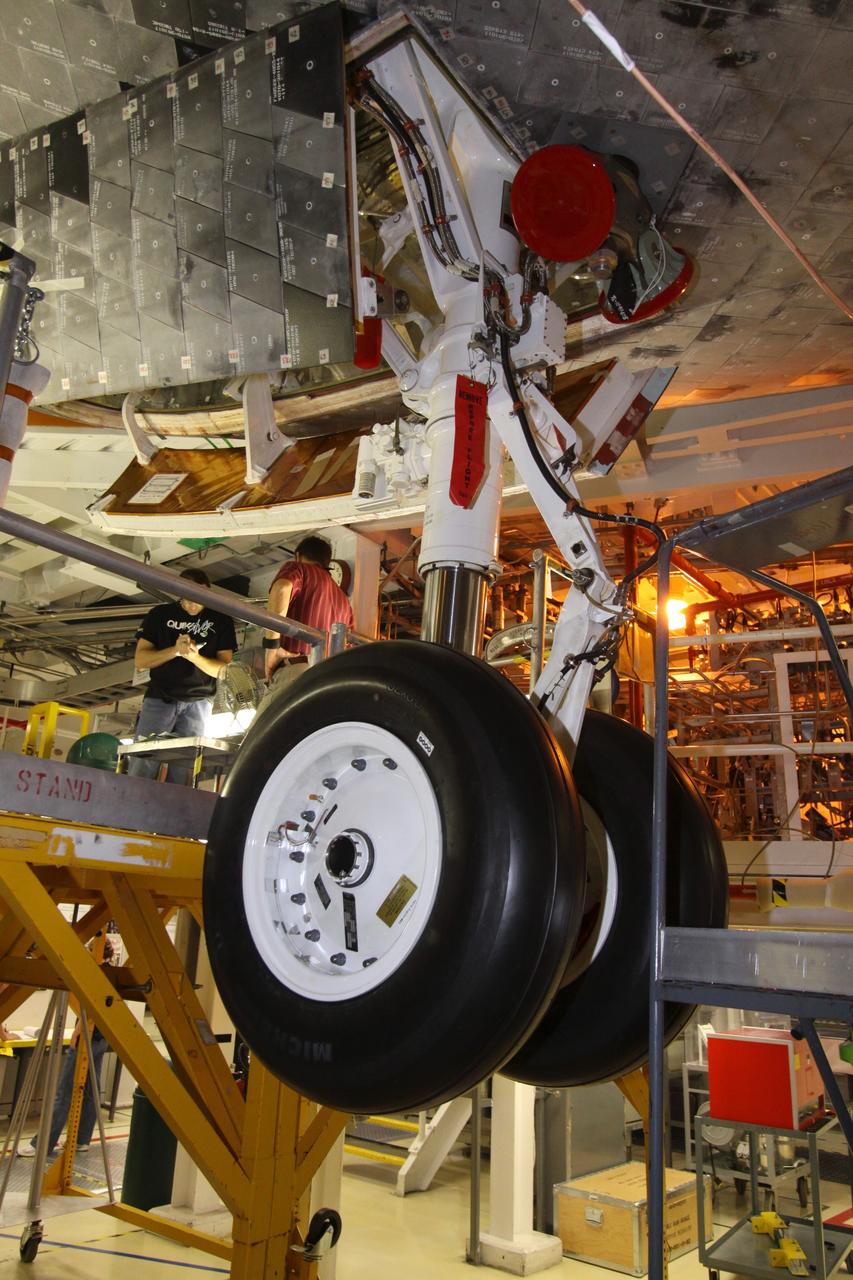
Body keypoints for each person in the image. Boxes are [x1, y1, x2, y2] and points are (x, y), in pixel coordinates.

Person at [126, 568, 236, 784]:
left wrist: (194, 657)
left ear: (207, 592)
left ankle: (177, 815)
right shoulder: (159, 615)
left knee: (184, 771)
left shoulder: (221, 620)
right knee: (143, 763)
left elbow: (224, 670)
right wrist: (175, 650)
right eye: (187, 598)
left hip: (199, 702)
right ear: (178, 591)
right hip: (159, 698)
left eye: (199, 598)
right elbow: (140, 661)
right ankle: (131, 813)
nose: (192, 604)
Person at [258, 536, 353, 715]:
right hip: (326, 683)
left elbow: (282, 588)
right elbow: (348, 646)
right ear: (327, 561)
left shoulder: (299, 569)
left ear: (298, 556)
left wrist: (272, 647)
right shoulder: (344, 601)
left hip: (296, 670)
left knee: (256, 740)